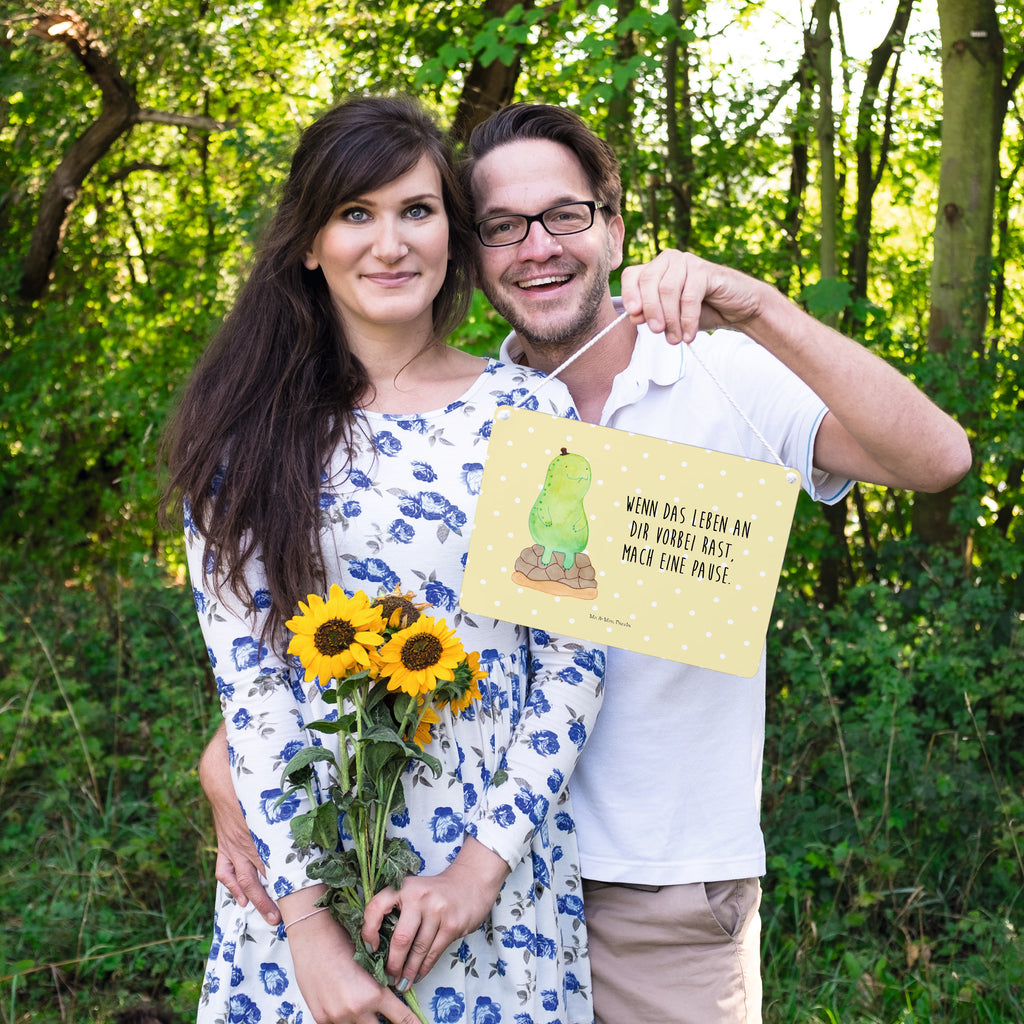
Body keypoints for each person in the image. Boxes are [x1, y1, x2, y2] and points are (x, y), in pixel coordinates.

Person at [202, 102, 972, 1024]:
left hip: (652, 887)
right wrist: (233, 757)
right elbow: (335, 626)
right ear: (474, 248)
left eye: (564, 215)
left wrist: (758, 306)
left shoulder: (710, 374)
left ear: (614, 227)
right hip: (426, 872)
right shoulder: (467, 412)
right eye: (503, 226)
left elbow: (938, 460)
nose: (538, 247)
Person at [163, 96, 609, 1024]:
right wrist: (310, 934)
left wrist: (477, 874)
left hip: (492, 882)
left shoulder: (531, 412)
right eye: (355, 213)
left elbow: (573, 663)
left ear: (453, 231)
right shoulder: (244, 437)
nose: (391, 243)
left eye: (417, 210)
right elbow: (253, 689)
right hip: (304, 877)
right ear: (309, 243)